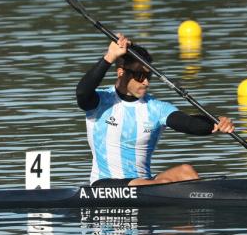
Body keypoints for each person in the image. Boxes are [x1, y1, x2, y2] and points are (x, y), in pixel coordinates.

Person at [76, 34, 235, 187]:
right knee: (160, 185)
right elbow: (82, 93)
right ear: (121, 73)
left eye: (149, 76)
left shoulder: (156, 108)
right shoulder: (100, 101)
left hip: (147, 185)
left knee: (187, 172)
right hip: (104, 185)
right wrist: (109, 57)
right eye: (140, 76)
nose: (146, 82)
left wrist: (215, 122)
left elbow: (188, 123)